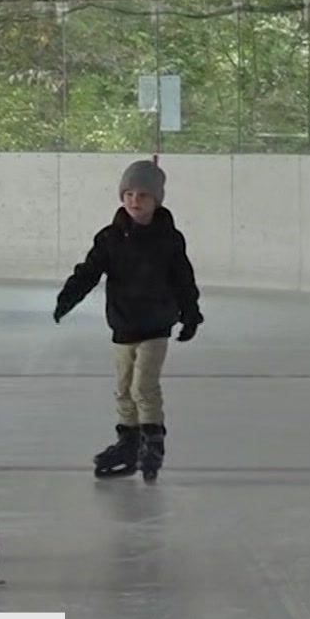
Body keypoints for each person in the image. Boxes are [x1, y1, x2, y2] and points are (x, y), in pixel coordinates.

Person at [53, 158, 203, 482]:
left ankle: (153, 444)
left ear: (157, 200)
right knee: (123, 389)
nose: (135, 200)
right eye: (129, 193)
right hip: (122, 325)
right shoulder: (109, 238)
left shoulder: (169, 239)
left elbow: (183, 280)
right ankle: (128, 443)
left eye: (144, 195)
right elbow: (88, 272)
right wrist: (67, 299)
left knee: (143, 387)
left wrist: (191, 315)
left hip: (156, 326)